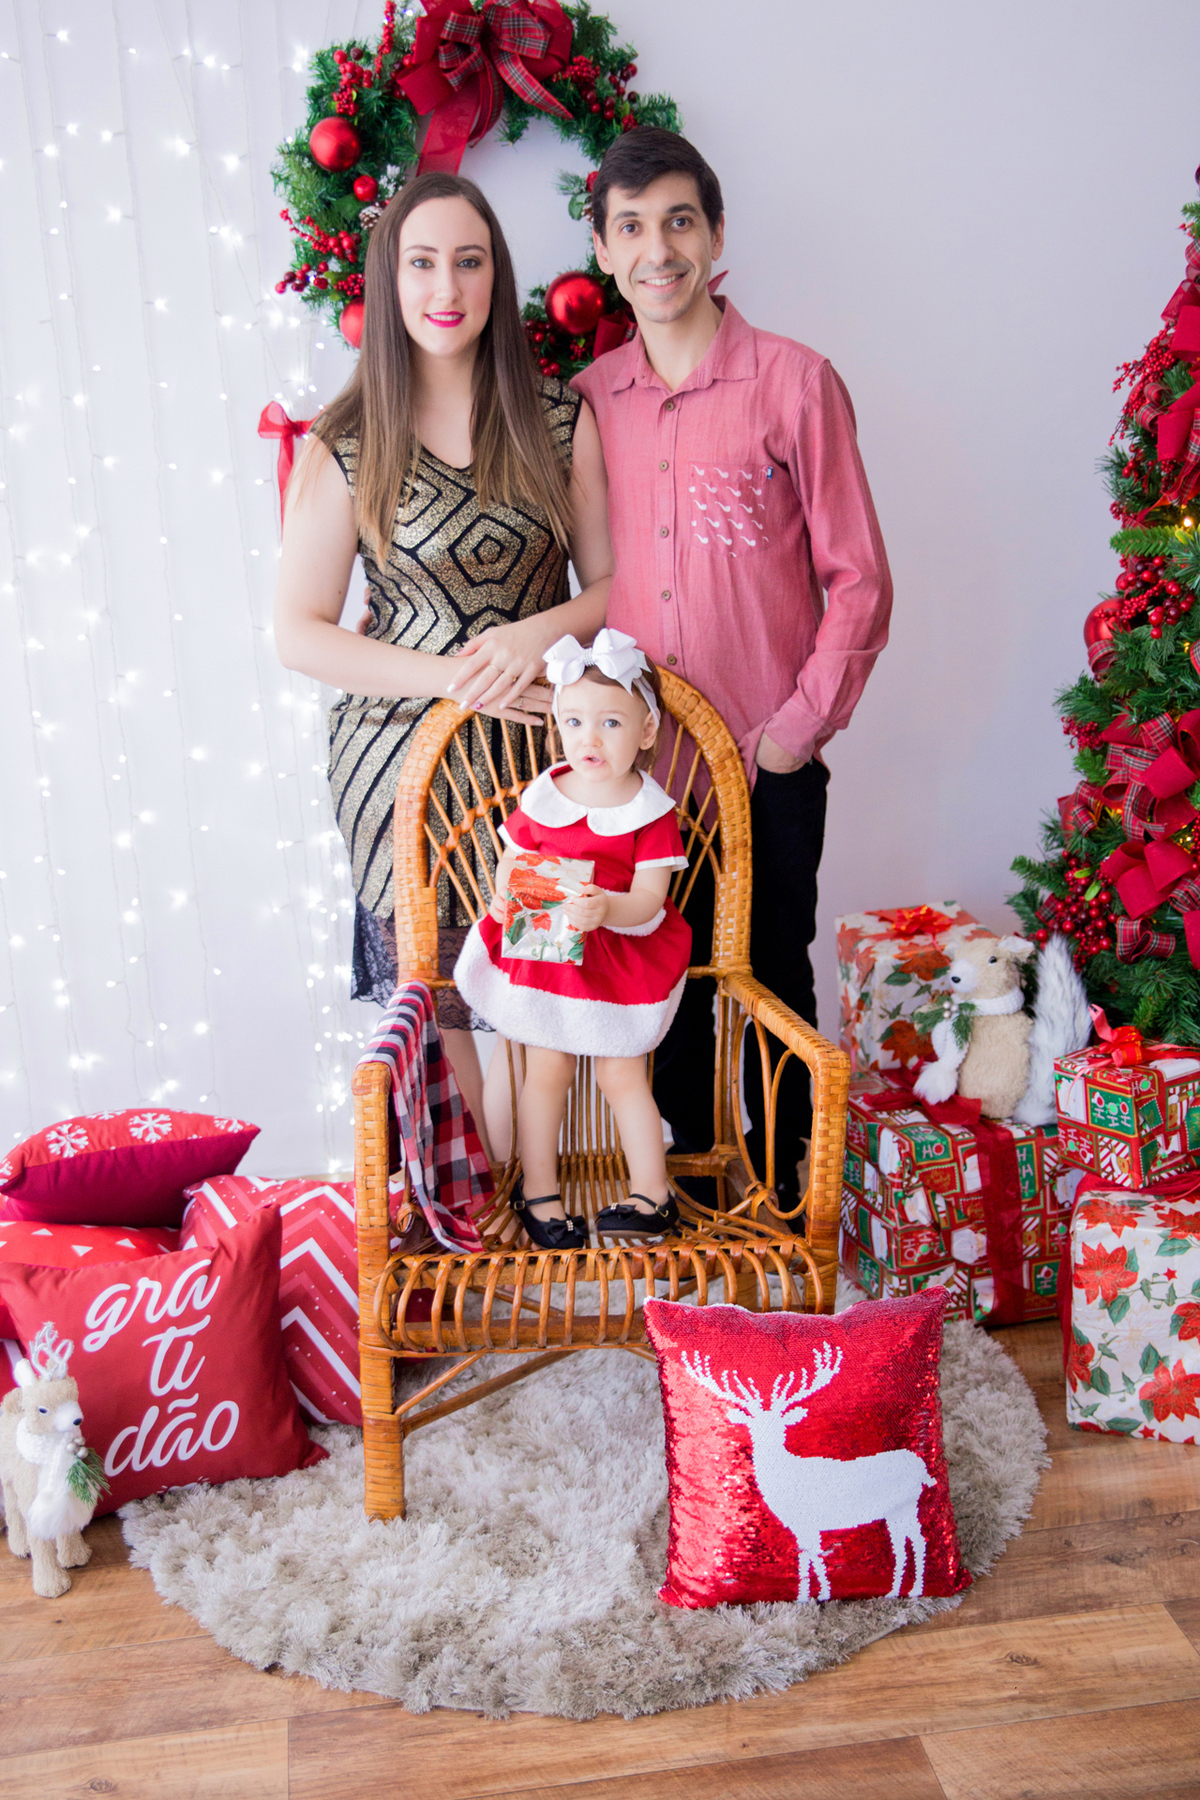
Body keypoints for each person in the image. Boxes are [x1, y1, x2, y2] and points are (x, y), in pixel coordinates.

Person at [572, 128, 892, 1208]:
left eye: (678, 221)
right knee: (661, 988)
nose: (657, 249)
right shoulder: (591, 400)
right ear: (603, 251)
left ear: (714, 235)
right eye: (630, 227)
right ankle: (699, 1202)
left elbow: (860, 578)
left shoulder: (795, 383)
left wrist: (794, 733)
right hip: (640, 778)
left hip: (766, 761)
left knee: (770, 980)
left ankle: (791, 1202)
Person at [273, 171, 613, 1157]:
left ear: (496, 275)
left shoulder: (558, 419)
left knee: (543, 989)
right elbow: (299, 632)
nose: (446, 286)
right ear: (389, 281)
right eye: (421, 263)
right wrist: (453, 677)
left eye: (469, 261)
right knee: (442, 1001)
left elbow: (613, 587)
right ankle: (483, 1203)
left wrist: (532, 636)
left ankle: (537, 1194)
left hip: (541, 751)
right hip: (398, 761)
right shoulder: (345, 442)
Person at [454, 629, 691, 1248]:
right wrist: (504, 895)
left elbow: (651, 898)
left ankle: (653, 1194)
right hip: (548, 950)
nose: (590, 739)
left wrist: (609, 907)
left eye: (611, 723)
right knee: (546, 1069)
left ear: (646, 731)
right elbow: (513, 861)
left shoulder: (651, 812)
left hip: (617, 955)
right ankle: (540, 1194)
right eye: (575, 722)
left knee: (622, 1073)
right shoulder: (547, 794)